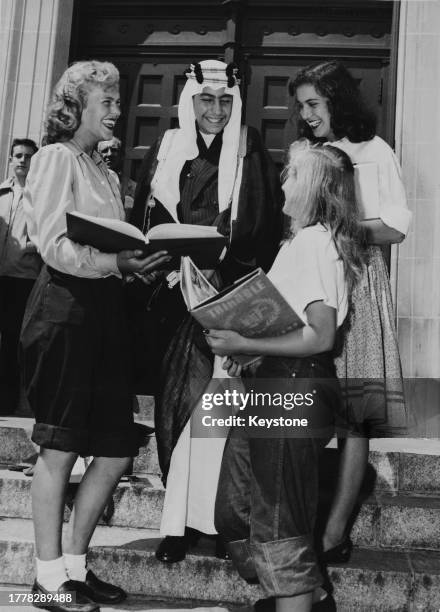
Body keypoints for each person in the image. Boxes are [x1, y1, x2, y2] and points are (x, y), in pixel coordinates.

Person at [20, 60, 170, 612]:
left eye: (117, 100)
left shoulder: (104, 171)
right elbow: (54, 245)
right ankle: (45, 577)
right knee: (59, 446)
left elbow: (108, 249)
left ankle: (76, 567)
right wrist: (116, 261)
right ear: (76, 106)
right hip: (64, 311)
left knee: (114, 449)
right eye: (105, 101)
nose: (116, 111)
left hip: (105, 313)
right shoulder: (57, 158)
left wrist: (137, 262)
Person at [129, 59, 283, 562]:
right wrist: (164, 264)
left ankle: (220, 521)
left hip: (228, 297)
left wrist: (224, 267)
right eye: (205, 100)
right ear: (189, 102)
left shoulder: (251, 148)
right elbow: (145, 221)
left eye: (225, 101)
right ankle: (177, 526)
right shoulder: (168, 147)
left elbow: (263, 221)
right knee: (175, 410)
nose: (215, 111)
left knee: (215, 415)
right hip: (173, 300)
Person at [209, 141, 366, 612]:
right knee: (234, 514)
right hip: (271, 385)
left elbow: (320, 337)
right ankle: (310, 595)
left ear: (316, 188)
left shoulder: (318, 243)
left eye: (293, 173)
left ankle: (297, 596)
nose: (283, 180)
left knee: (278, 524)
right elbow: (288, 320)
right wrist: (250, 350)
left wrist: (245, 344)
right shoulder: (299, 241)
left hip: (294, 387)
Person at [290, 60, 411, 561]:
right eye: (301, 106)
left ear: (337, 101)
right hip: (313, 285)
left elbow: (397, 227)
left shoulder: (375, 151)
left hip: (358, 286)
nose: (306, 113)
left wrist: (341, 228)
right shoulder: (310, 151)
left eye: (313, 104)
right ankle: (299, 524)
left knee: (352, 417)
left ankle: (334, 533)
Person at [0, 138, 40, 415]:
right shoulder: (1, 192)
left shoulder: (41, 196)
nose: (22, 160)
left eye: (28, 156)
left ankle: (7, 401)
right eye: (18, 155)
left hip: (23, 278)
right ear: (11, 159)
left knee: (13, 342)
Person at [97, 137, 136, 214]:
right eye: (105, 151)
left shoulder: (130, 186)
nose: (109, 154)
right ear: (98, 155)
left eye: (114, 150)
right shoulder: (90, 180)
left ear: (122, 155)